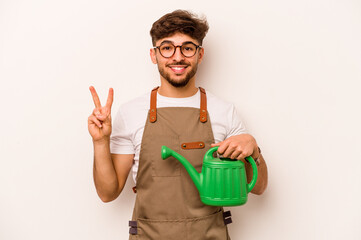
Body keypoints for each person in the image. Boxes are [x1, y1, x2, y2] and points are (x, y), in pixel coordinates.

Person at [88, 9, 268, 240]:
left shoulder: (224, 111)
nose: (177, 56)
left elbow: (259, 187)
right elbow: (107, 193)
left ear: (199, 54)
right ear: (154, 55)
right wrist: (100, 142)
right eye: (167, 47)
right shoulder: (130, 112)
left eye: (187, 47)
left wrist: (253, 148)